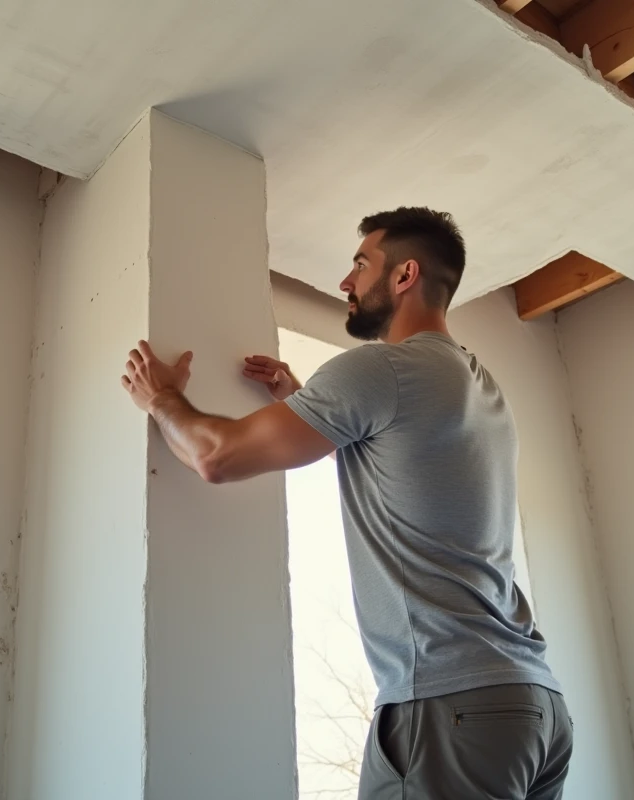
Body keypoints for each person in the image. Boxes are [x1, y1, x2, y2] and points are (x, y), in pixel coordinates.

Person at [120, 207, 572, 799]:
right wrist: (302, 400)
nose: (346, 282)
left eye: (361, 264)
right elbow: (399, 469)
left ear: (405, 275)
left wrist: (163, 401)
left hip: (449, 704)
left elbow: (216, 456)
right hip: (535, 710)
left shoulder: (382, 369)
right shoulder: (478, 383)